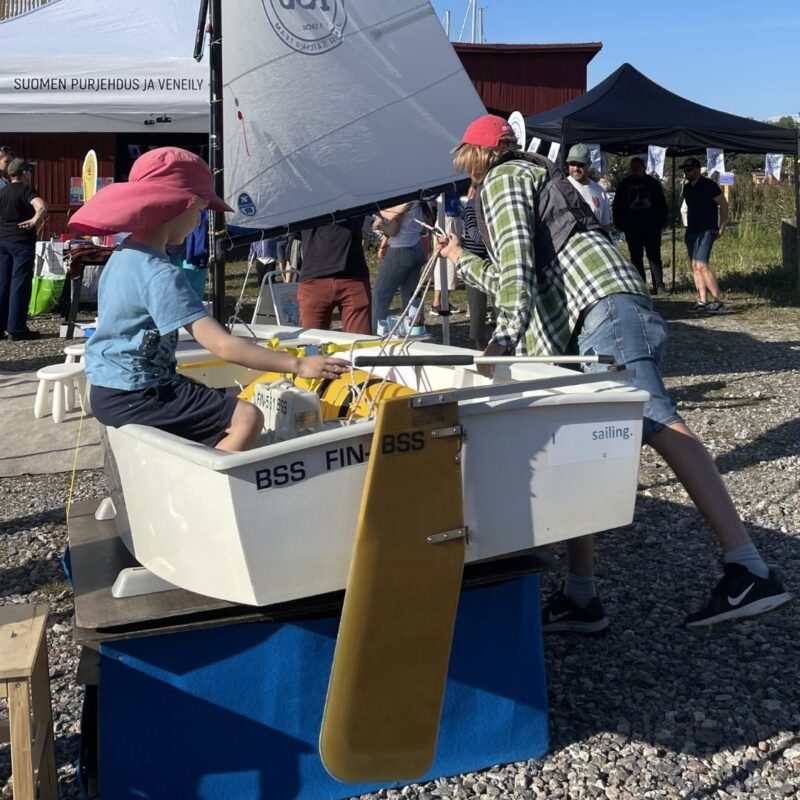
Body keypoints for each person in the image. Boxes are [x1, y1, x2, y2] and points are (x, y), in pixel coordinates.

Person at [439, 114, 791, 630]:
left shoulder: (504, 178)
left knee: (652, 415)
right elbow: (529, 269)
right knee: (580, 443)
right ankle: (581, 595)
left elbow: (516, 273)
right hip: (598, 309)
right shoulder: (537, 174)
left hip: (600, 306)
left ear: (474, 156)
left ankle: (747, 567)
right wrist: (461, 259)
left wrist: (501, 340)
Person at [68, 147, 348, 452]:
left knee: (208, 400)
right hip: (139, 392)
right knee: (246, 418)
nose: (200, 219)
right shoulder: (160, 273)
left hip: (108, 389)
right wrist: (298, 365)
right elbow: (222, 345)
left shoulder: (122, 256)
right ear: (177, 206)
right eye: (200, 209)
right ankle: (205, 493)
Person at [295, 217, 372, 334]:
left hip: (350, 277)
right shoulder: (301, 203)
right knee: (310, 345)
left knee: (361, 346)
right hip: (317, 279)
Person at [0, 159, 48, 341]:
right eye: (30, 172)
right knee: (19, 283)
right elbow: (41, 206)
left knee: (2, 283)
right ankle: (17, 328)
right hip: (21, 241)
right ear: (24, 173)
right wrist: (35, 220)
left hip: (2, 240)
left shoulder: (2, 191)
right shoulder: (26, 191)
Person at [612, 157, 668, 293]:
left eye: (637, 167)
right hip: (632, 228)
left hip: (652, 227)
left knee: (654, 257)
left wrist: (661, 223)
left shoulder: (653, 184)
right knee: (636, 258)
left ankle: (659, 285)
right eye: (633, 168)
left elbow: (662, 205)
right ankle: (641, 286)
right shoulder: (624, 184)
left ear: (643, 167)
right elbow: (618, 206)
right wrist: (620, 224)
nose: (635, 170)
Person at [371, 200, 427, 333]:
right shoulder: (420, 201)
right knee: (412, 295)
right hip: (417, 246)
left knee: (380, 295)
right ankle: (415, 330)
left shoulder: (405, 201)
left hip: (400, 249)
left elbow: (393, 230)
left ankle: (377, 334)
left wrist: (379, 224)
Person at [681, 156, 727, 313]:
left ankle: (717, 300)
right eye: (685, 171)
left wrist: (722, 225)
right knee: (695, 266)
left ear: (697, 170)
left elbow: (723, 204)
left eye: (689, 170)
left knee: (702, 264)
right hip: (692, 229)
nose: (686, 173)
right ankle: (702, 300)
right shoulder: (687, 188)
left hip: (707, 229)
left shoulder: (709, 185)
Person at [565, 143, 612, 230]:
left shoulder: (599, 191)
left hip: (594, 241)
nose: (576, 168)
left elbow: (605, 225)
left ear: (589, 164)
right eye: (572, 163)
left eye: (580, 164)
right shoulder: (561, 187)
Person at [431, 190, 462, 316]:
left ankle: (443, 300)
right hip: (446, 216)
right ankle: (437, 302)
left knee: (451, 261)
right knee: (445, 260)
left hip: (453, 216)